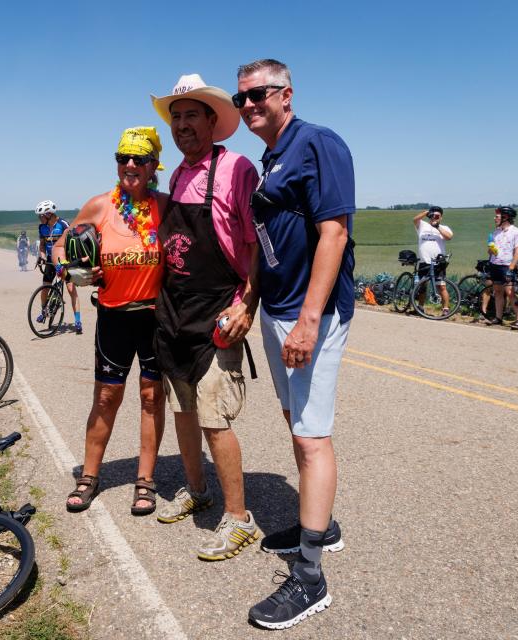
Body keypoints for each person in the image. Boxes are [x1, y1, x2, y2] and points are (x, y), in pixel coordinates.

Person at [236, 58, 353, 629]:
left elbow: (334, 231)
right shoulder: (272, 158)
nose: (250, 104)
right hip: (278, 311)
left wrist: (309, 321)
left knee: (311, 439)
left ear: (286, 93)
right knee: (293, 418)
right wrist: (254, 302)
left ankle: (309, 576)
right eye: (242, 99)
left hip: (312, 314)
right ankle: (320, 526)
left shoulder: (318, 143)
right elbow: (268, 239)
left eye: (260, 93)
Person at [148, 74, 262, 561]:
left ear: (214, 121)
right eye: (176, 116)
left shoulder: (238, 169)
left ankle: (239, 520)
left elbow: (257, 246)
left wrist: (247, 304)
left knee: (215, 420)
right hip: (175, 313)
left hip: (218, 310)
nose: (181, 125)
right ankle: (196, 489)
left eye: (191, 115)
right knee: (184, 412)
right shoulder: (175, 175)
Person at [55, 127, 167, 516]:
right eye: (123, 158)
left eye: (139, 159)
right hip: (113, 317)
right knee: (106, 397)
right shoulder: (100, 206)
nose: (130, 165)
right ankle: (88, 476)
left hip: (155, 317)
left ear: (154, 166)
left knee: (152, 397)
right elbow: (60, 246)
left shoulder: (165, 207)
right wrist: (74, 269)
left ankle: (145, 480)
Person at [35, 199, 82, 333]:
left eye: (41, 215)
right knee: (44, 288)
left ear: (49, 214)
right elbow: (43, 245)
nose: (40, 218)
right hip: (50, 260)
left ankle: (78, 321)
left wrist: (69, 261)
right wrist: (42, 256)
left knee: (70, 289)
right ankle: (44, 311)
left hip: (64, 260)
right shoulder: (42, 227)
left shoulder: (63, 224)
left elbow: (72, 243)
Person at [485, 206, 518, 329]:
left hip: (507, 266)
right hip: (495, 264)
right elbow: (490, 251)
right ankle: (498, 318)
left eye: (497, 216)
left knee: (510, 292)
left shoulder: (516, 232)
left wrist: (511, 268)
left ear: (505, 217)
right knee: (497, 292)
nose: (494, 218)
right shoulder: (496, 231)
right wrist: (491, 250)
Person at [412, 205, 453, 312]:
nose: (435, 217)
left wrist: (437, 226)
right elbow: (415, 219)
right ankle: (420, 308)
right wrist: (426, 213)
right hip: (424, 261)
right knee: (422, 287)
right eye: (433, 215)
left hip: (438, 263)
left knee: (441, 287)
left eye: (437, 216)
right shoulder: (422, 225)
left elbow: (449, 237)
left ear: (441, 217)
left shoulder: (444, 227)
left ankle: (445, 309)